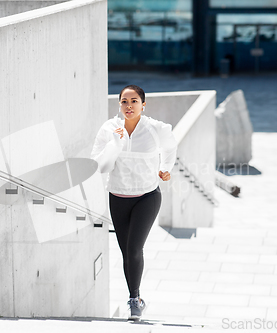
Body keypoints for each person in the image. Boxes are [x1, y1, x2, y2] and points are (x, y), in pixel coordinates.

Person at [91, 85, 177, 320]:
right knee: (126, 253)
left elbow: (171, 147)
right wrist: (114, 145)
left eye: (134, 101)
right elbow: (99, 166)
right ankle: (136, 297)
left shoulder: (155, 128)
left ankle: (134, 299)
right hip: (118, 196)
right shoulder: (109, 129)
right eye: (124, 102)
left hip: (147, 196)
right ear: (119, 105)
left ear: (143, 104)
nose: (129, 106)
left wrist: (165, 169)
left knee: (133, 248)